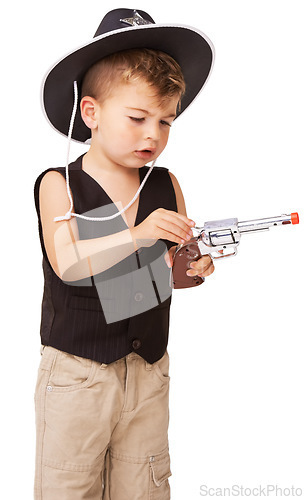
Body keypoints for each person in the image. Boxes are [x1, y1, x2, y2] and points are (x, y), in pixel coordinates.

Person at [34, 8, 215, 499]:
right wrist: (138, 234)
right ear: (90, 112)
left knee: (146, 485)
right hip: (78, 374)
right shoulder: (60, 184)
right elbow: (68, 264)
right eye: (136, 118)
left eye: (165, 121)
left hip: (149, 370)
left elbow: (168, 271)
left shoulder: (166, 184)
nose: (152, 134)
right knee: (68, 486)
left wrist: (195, 267)